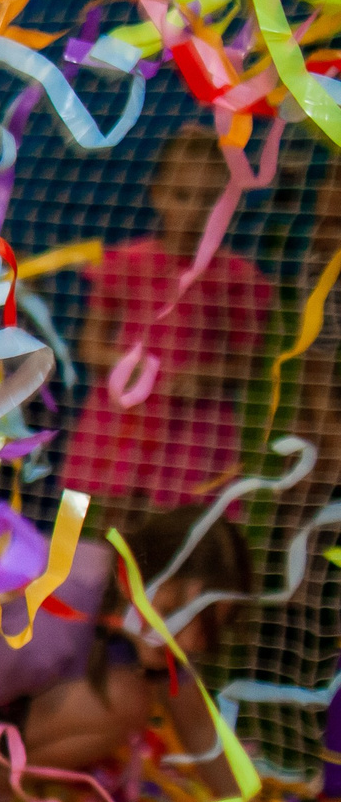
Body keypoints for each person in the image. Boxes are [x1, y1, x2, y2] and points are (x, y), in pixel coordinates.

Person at [0, 504, 252, 802]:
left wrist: (240, 800)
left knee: (126, 697)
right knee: (122, 699)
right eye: (171, 613)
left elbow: (196, 724)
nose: (188, 641)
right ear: (134, 577)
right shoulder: (60, 605)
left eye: (206, 628)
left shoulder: (158, 624)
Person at [61, 129, 271, 519]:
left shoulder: (237, 278)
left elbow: (249, 362)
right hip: (122, 420)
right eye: (181, 196)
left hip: (193, 428)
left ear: (231, 204)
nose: (193, 212)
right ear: (158, 193)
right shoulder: (124, 263)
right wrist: (126, 366)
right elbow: (90, 343)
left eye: (209, 201)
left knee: (175, 529)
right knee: (115, 524)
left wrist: (204, 377)